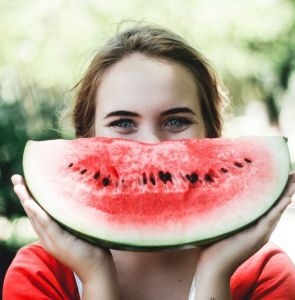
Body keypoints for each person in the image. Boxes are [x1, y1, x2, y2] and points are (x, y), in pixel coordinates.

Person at [3, 23, 295, 300]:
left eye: (176, 120)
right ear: (86, 139)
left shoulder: (264, 274)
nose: (152, 146)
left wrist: (214, 272)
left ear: (212, 134)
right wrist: (95, 274)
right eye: (124, 123)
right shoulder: (41, 275)